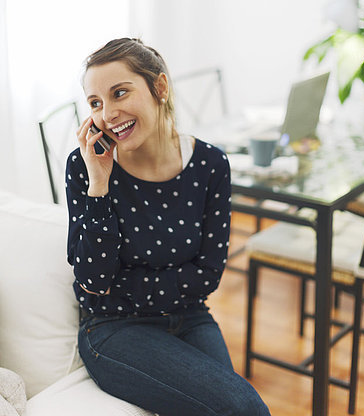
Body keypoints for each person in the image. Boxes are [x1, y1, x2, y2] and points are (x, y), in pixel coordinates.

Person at [65, 37, 271, 416]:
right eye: (95, 103)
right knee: (245, 408)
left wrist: (121, 287)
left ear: (159, 87)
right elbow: (92, 282)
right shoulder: (86, 168)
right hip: (113, 330)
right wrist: (99, 186)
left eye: (120, 93)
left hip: (190, 317)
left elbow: (208, 274)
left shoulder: (210, 165)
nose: (107, 114)